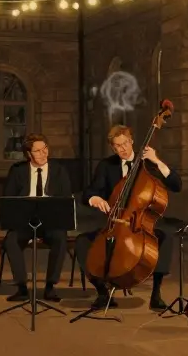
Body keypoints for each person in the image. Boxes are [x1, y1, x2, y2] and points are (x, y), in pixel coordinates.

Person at [74, 125, 182, 311]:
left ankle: (156, 293)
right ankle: (102, 292)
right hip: (114, 224)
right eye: (117, 146)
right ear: (113, 148)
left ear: (132, 141)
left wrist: (157, 161)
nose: (122, 149)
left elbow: (176, 185)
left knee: (165, 238)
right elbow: (89, 192)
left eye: (125, 143)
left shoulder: (149, 165)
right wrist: (95, 198)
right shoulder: (107, 166)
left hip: (141, 224)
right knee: (82, 241)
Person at [1, 133, 72, 302]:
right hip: (24, 223)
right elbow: (8, 199)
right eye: (38, 151)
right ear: (28, 154)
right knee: (11, 240)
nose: (43, 153)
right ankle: (22, 287)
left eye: (45, 149)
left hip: (50, 223)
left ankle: (50, 287)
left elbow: (67, 200)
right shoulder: (17, 171)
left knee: (60, 238)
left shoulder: (59, 171)